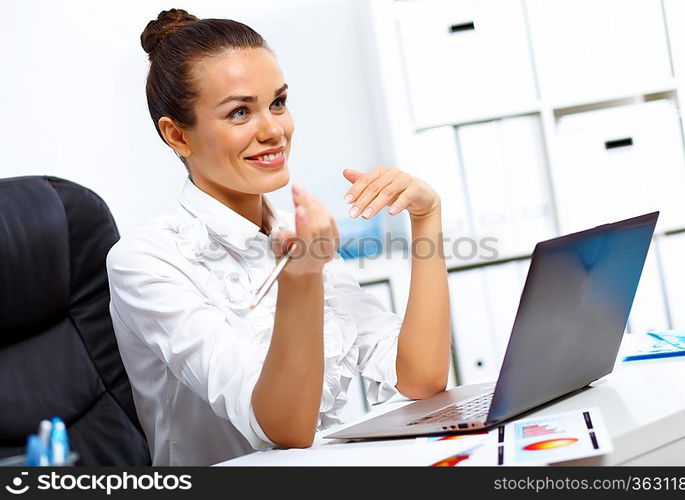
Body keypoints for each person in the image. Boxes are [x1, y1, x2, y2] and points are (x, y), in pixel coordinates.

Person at [106, 8, 451, 466]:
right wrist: (302, 276)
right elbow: (284, 427)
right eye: (240, 112)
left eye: (279, 103)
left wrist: (426, 217)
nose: (273, 130)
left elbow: (421, 377)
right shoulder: (144, 261)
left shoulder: (295, 229)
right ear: (177, 135)